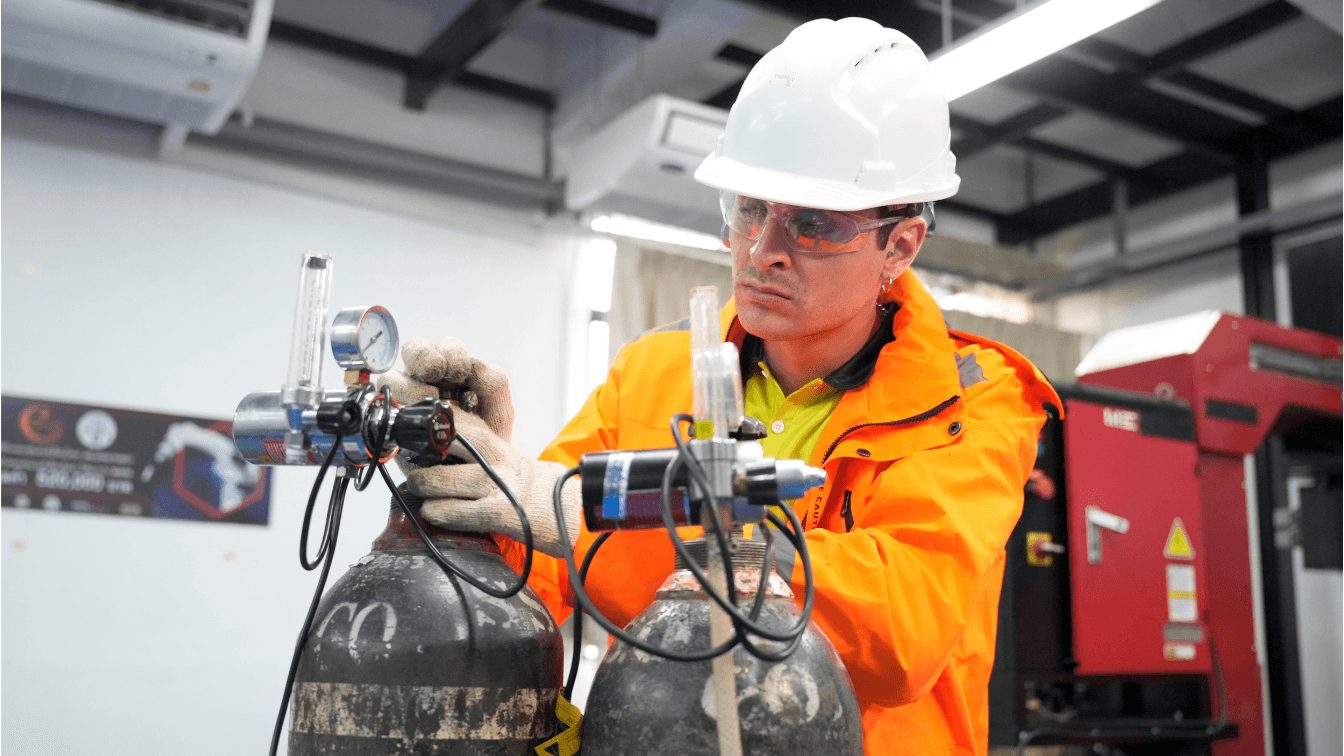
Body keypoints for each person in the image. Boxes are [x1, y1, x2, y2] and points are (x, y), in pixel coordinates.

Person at [382, 17, 1059, 756]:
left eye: (813, 224)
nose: (763, 251)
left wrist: (600, 521)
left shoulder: (976, 400)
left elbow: (901, 632)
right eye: (749, 209)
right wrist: (475, 474)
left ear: (899, 245)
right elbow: (533, 572)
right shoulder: (654, 371)